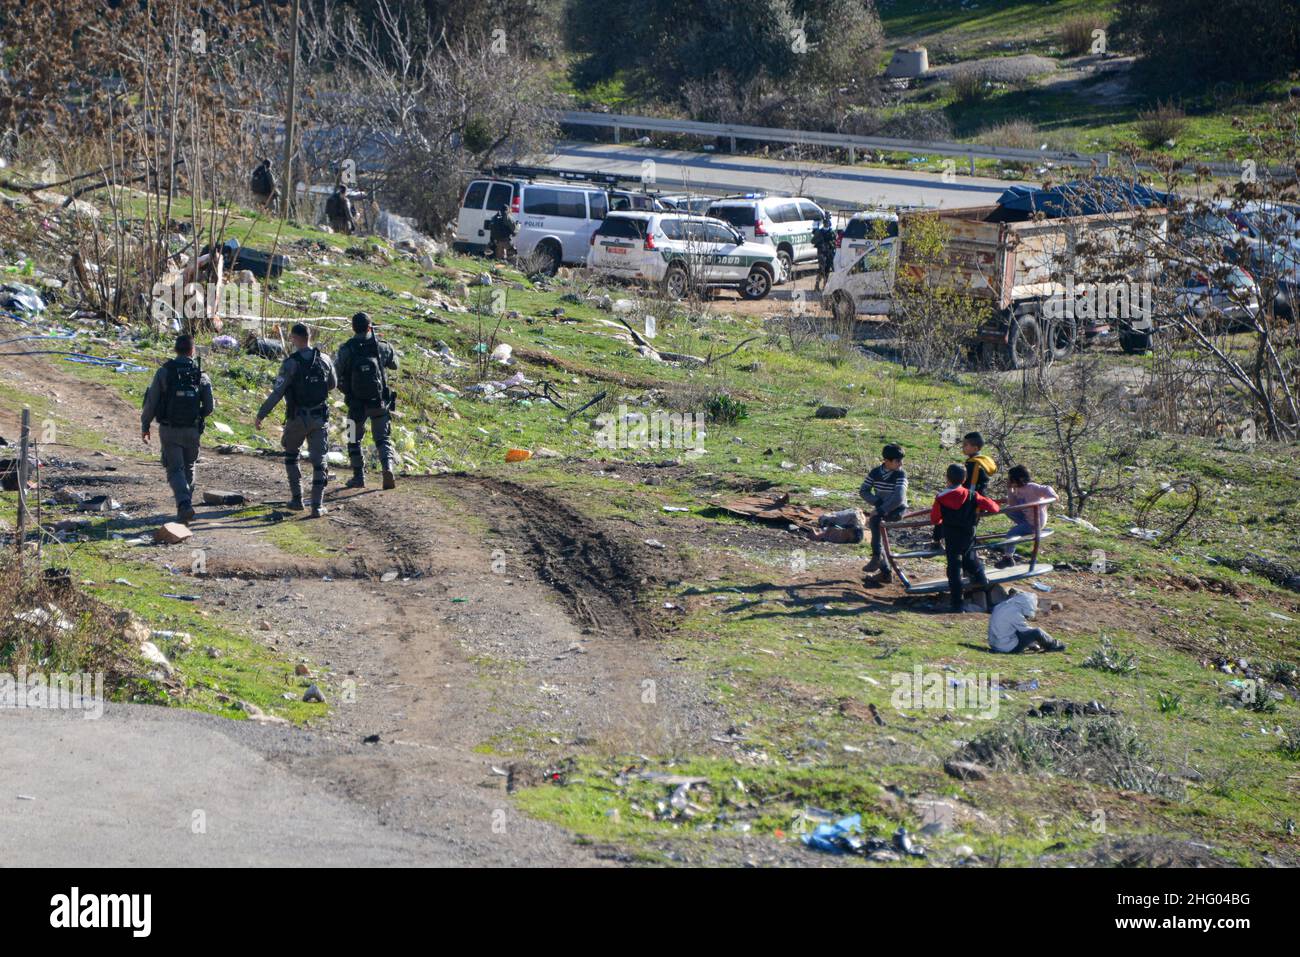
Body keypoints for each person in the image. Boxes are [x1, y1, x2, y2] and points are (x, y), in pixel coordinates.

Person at [254, 323, 337, 518]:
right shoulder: (325, 359)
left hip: (297, 418)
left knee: (292, 455)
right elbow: (333, 384)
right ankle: (317, 506)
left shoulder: (290, 363)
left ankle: (297, 499)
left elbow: (277, 392)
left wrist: (261, 414)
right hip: (319, 417)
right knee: (320, 461)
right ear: (309, 337)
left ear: (294, 338)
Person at [141, 334, 214, 524]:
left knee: (175, 469)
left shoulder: (164, 372)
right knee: (189, 466)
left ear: (175, 350)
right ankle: (187, 504)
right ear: (192, 351)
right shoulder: (201, 374)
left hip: (169, 429)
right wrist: (197, 416)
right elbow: (209, 407)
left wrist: (145, 424)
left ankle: (184, 505)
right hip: (192, 429)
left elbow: (151, 402)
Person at [334, 311, 399, 490]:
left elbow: (334, 374)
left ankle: (359, 477)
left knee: (353, 438)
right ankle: (388, 469)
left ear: (353, 328)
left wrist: (345, 389)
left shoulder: (346, 349)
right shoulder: (382, 347)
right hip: (379, 403)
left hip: (356, 404)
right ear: (370, 327)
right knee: (383, 439)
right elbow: (395, 365)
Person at [931, 463, 1000, 613]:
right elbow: (994, 508)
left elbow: (935, 519)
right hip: (968, 534)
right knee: (970, 558)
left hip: (951, 537)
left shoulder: (941, 498)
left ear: (947, 479)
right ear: (964, 479)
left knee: (954, 570)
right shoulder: (972, 495)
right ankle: (982, 578)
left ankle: (957, 604)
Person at [860, 443, 908, 584]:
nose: (901, 463)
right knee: (875, 526)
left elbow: (899, 498)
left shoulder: (900, 474)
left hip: (897, 509)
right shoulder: (875, 472)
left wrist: (880, 510)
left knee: (874, 522)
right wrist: (878, 502)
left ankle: (878, 559)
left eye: (901, 460)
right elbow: (864, 491)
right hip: (882, 507)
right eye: (897, 461)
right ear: (887, 461)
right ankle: (883, 569)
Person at [996, 465, 1055, 568]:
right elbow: (1012, 505)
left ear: (1020, 478)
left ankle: (1008, 558)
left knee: (1011, 534)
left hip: (1035, 522)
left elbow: (1046, 488)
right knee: (1007, 509)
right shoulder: (1017, 489)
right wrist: (1010, 489)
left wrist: (1052, 496)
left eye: (1011, 478)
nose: (1009, 480)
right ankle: (1022, 527)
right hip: (1026, 518)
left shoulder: (1032, 487)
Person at [988, 588, 1065, 653]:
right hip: (1006, 648)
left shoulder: (1003, 605)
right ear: (1027, 605)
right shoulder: (1014, 613)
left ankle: (1033, 645)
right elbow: (1026, 631)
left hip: (994, 645)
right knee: (1036, 632)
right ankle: (1053, 645)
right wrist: (1036, 638)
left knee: (1016, 630)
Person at [812, 212, 837, 290]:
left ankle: (825, 285)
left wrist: (831, 245)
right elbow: (813, 241)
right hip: (822, 253)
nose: (826, 224)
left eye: (827, 222)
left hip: (829, 253)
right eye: (825, 222)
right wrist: (820, 243)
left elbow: (835, 242)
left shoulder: (832, 232)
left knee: (827, 269)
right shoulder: (819, 232)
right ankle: (817, 285)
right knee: (821, 269)